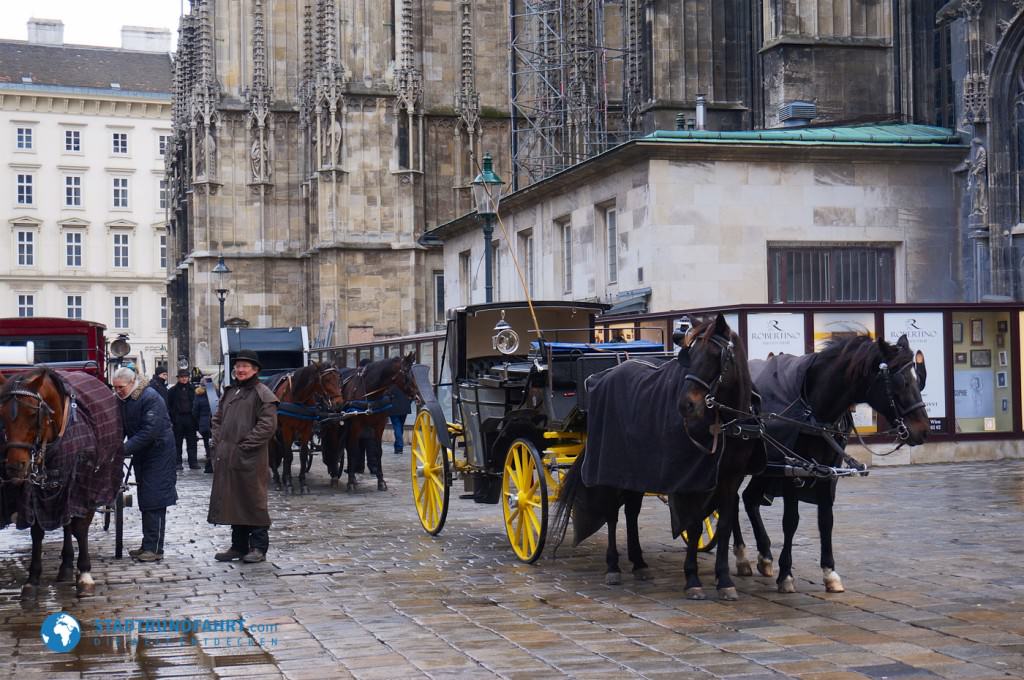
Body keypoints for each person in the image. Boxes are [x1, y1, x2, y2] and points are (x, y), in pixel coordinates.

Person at [208, 349, 279, 564]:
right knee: (234, 500)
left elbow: (267, 426)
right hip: (227, 457)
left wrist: (244, 447)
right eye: (238, 366)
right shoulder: (230, 392)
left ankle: (258, 547)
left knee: (253, 500)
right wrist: (219, 442)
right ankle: (238, 546)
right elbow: (218, 419)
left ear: (255, 370)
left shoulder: (262, 393)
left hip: (250, 459)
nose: (240, 369)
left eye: (245, 366)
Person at [112, 367, 177, 563]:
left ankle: (155, 548)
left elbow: (149, 432)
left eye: (120, 387)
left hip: (158, 453)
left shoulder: (150, 398)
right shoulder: (124, 399)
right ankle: (148, 543)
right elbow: (122, 427)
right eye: (115, 388)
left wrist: (122, 450)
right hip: (144, 454)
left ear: (132, 383)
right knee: (146, 499)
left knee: (154, 499)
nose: (117, 391)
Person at [167, 369, 199, 470]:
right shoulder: (172, 391)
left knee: (192, 442)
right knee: (177, 442)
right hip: (178, 418)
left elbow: (197, 404)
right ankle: (177, 462)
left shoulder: (194, 389)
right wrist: (172, 418)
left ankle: (193, 462)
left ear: (188, 378)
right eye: (182, 377)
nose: (184, 379)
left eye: (186, 377)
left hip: (190, 418)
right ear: (178, 378)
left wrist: (196, 417)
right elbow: (169, 405)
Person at [193, 382, 214, 473]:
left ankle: (209, 465)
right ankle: (213, 464)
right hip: (214, 423)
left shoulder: (198, 396)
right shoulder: (214, 395)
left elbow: (195, 411)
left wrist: (199, 422)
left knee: (207, 444)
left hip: (204, 424)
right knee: (215, 443)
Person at [388, 381, 412, 455]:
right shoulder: (405, 384)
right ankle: (398, 445)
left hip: (394, 408)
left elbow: (387, 395)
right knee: (400, 427)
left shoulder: (390, 384)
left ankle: (399, 447)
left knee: (397, 427)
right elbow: (411, 395)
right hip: (404, 408)